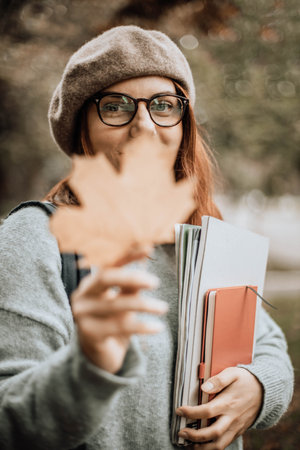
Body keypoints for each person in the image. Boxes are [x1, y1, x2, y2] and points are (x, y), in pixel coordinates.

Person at [0, 25, 293, 450]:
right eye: (115, 107)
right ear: (82, 129)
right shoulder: (38, 238)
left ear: (183, 122)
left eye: (163, 105)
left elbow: (269, 349)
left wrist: (259, 386)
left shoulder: (205, 239)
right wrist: (89, 366)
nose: (144, 126)